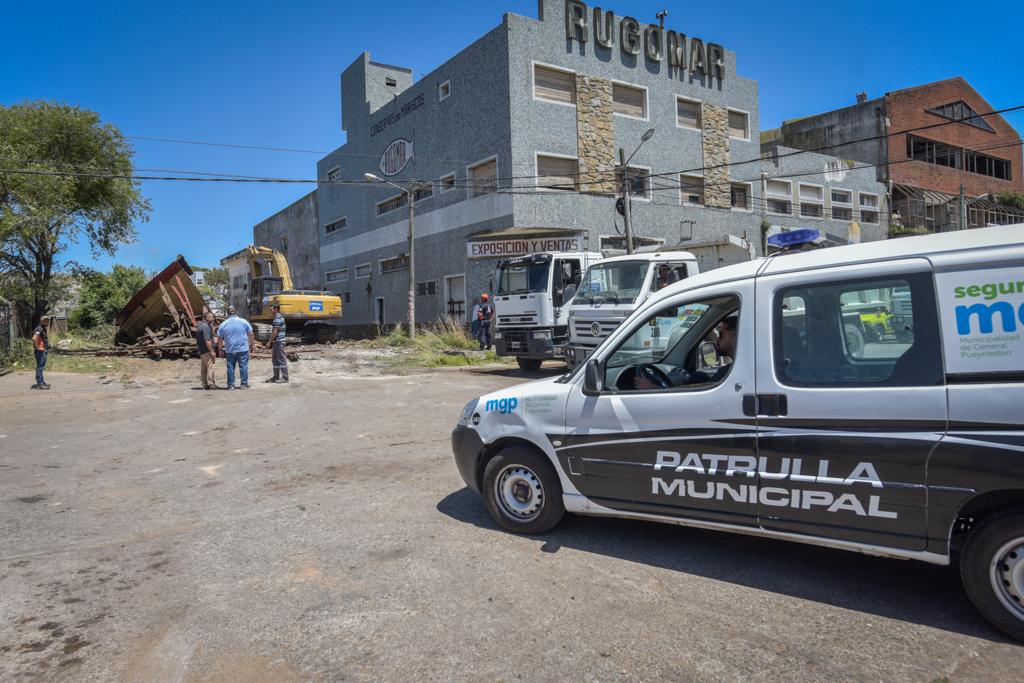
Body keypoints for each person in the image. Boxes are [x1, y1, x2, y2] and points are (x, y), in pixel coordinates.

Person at [217, 306, 255, 390]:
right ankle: (244, 385)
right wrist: (252, 344)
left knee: (230, 367)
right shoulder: (243, 321)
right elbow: (251, 334)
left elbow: (219, 338)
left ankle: (231, 385)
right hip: (243, 349)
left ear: (227, 313)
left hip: (230, 350)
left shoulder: (224, 324)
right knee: (243, 366)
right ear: (236, 312)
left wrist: (220, 349)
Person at [264, 303, 289, 383]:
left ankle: (285, 377)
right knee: (275, 360)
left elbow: (275, 331)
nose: (270, 310)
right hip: (276, 342)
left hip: (279, 342)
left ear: (276, 309)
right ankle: (276, 376)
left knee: (281, 360)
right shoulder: (276, 318)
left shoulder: (278, 318)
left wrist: (269, 342)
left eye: (271, 309)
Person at [196, 311, 217, 390]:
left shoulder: (200, 326)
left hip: (202, 350)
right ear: (207, 318)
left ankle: (204, 384)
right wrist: (211, 350)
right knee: (211, 367)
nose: (213, 318)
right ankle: (211, 384)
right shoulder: (206, 327)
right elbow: (207, 340)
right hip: (207, 351)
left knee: (204, 368)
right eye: (211, 317)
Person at [31, 316, 51, 390]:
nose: (46, 322)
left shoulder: (43, 328)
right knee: (40, 367)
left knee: (41, 367)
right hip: (40, 351)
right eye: (44, 321)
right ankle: (40, 384)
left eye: (47, 321)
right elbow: (34, 338)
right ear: (41, 321)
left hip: (42, 351)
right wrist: (38, 347)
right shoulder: (39, 328)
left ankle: (41, 382)